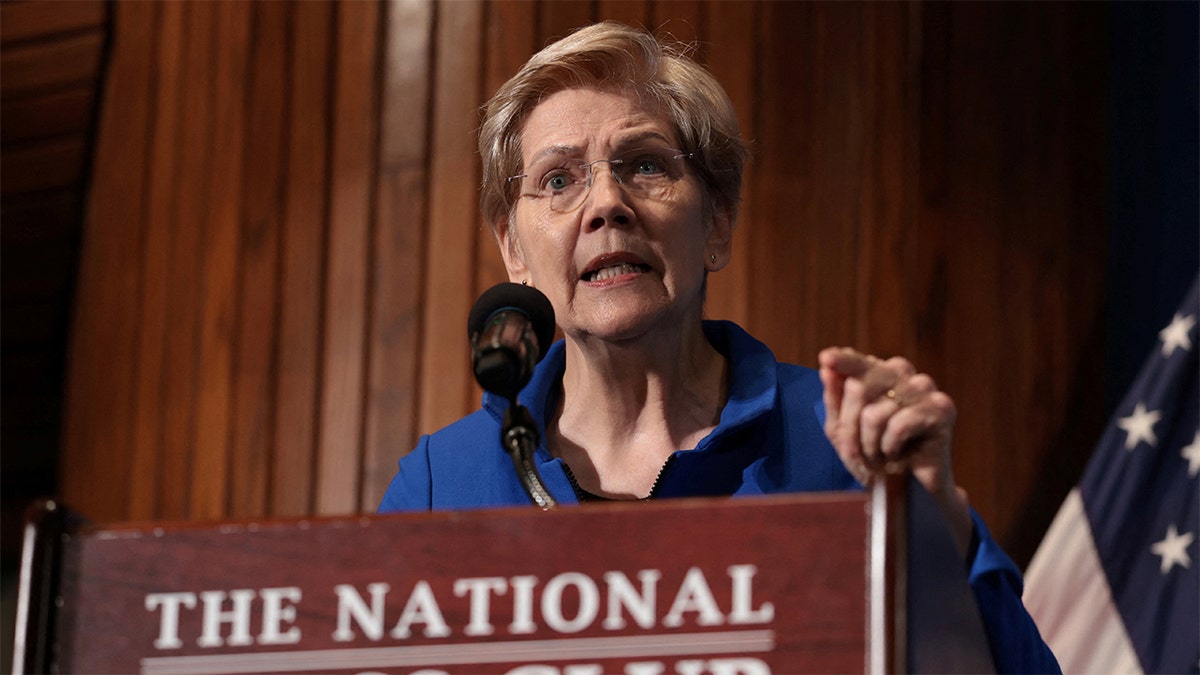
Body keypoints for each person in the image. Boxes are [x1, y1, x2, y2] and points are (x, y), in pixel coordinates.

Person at [379, 21, 1059, 673]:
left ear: (718, 223)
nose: (606, 203)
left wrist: (937, 529)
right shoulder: (444, 483)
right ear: (513, 249)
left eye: (645, 165)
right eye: (559, 179)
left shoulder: (846, 443)